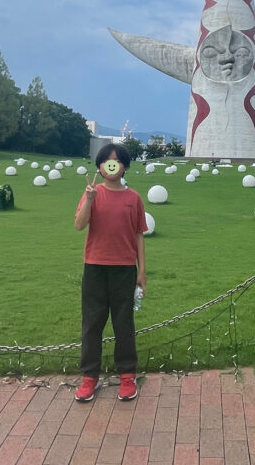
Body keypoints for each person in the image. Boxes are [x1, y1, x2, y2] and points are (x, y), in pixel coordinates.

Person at [73, 143, 147, 402]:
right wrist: (90, 199)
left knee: (123, 323)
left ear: (125, 166)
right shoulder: (92, 193)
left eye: (117, 161)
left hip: (125, 269)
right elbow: (79, 225)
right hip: (94, 266)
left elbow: (139, 235)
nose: (112, 165)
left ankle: (127, 375)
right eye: (107, 161)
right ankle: (89, 377)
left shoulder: (134, 198)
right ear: (100, 166)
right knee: (92, 323)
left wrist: (142, 272)